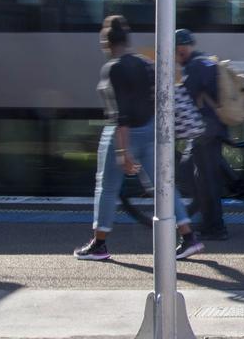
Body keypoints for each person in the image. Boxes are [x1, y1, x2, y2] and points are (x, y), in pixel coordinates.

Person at [75, 16, 203, 261]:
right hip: (150, 128)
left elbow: (121, 112)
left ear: (106, 42)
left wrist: (123, 151)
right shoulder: (145, 63)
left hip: (123, 133)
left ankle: (99, 244)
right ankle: (189, 237)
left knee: (107, 187)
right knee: (163, 187)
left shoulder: (113, 68)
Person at [176, 28, 228, 240]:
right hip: (211, 127)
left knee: (206, 179)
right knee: (199, 173)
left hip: (206, 129)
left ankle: (215, 228)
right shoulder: (204, 61)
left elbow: (186, 96)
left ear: (181, 48)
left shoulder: (195, 66)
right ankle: (207, 220)